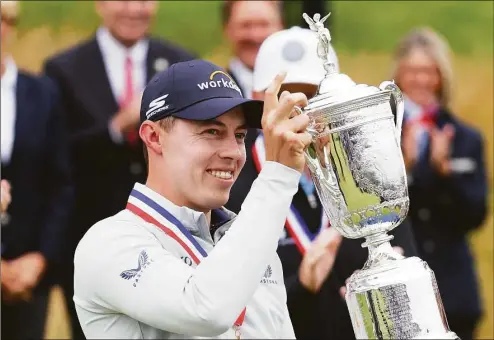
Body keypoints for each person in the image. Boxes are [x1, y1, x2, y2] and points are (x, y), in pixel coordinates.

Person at [73, 58, 313, 338]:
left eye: (239, 135)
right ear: (153, 137)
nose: (234, 152)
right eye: (212, 132)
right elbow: (207, 310)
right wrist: (278, 175)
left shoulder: (248, 237)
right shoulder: (109, 242)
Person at [225, 26, 418, 339]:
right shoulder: (232, 185)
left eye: (312, 97)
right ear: (260, 101)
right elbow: (228, 310)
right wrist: (300, 286)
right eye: (285, 98)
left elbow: (405, 263)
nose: (301, 112)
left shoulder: (370, 176)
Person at [42, 1, 195, 338]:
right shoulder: (63, 69)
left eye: (143, 1)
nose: (133, 10)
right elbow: (57, 155)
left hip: (167, 241)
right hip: (88, 235)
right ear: (99, 5)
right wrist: (117, 127)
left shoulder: (181, 64)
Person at [392, 27, 488, 340]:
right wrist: (403, 168)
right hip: (401, 291)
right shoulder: (381, 133)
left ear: (442, 76)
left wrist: (443, 173)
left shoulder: (466, 137)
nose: (421, 80)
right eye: (413, 71)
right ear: (399, 75)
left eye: (429, 71)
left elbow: (474, 216)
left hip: (453, 292)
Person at [0, 1, 74, 338]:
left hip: (29, 269)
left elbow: (60, 183)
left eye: (3, 19)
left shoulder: (43, 93)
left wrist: (41, 257)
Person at [221, 0, 284, 98]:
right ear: (227, 29)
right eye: (245, 25)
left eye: (264, 24)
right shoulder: (213, 92)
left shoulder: (307, 86)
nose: (255, 36)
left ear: (281, 26)